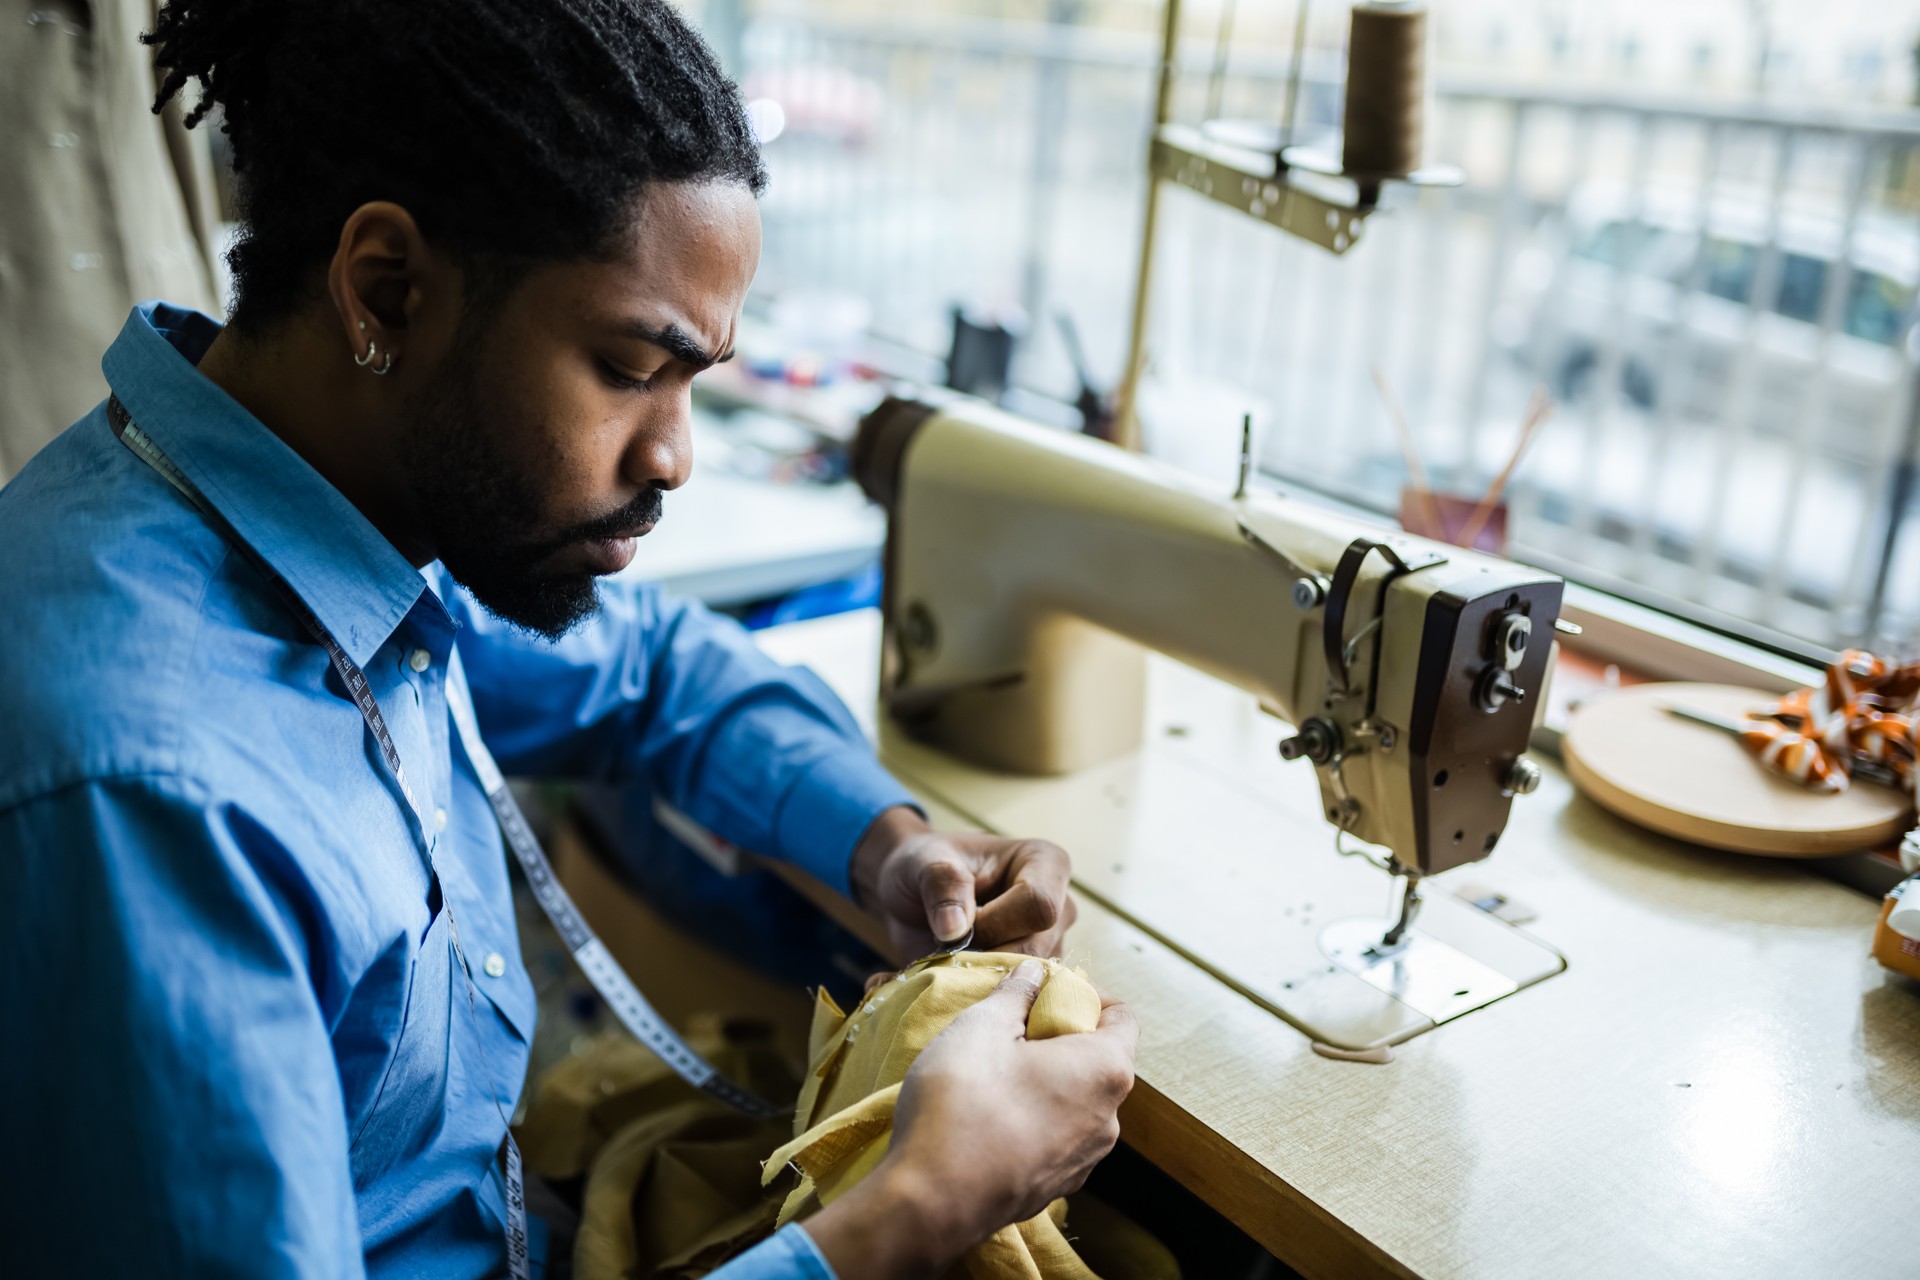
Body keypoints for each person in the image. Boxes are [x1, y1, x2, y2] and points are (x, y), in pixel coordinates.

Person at [0, 2, 1138, 1278]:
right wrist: (909, 1214)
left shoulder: (332, 505)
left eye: (695, 380)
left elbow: (650, 670)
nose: (676, 456)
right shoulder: (154, 794)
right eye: (626, 365)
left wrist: (887, 845)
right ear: (386, 288)